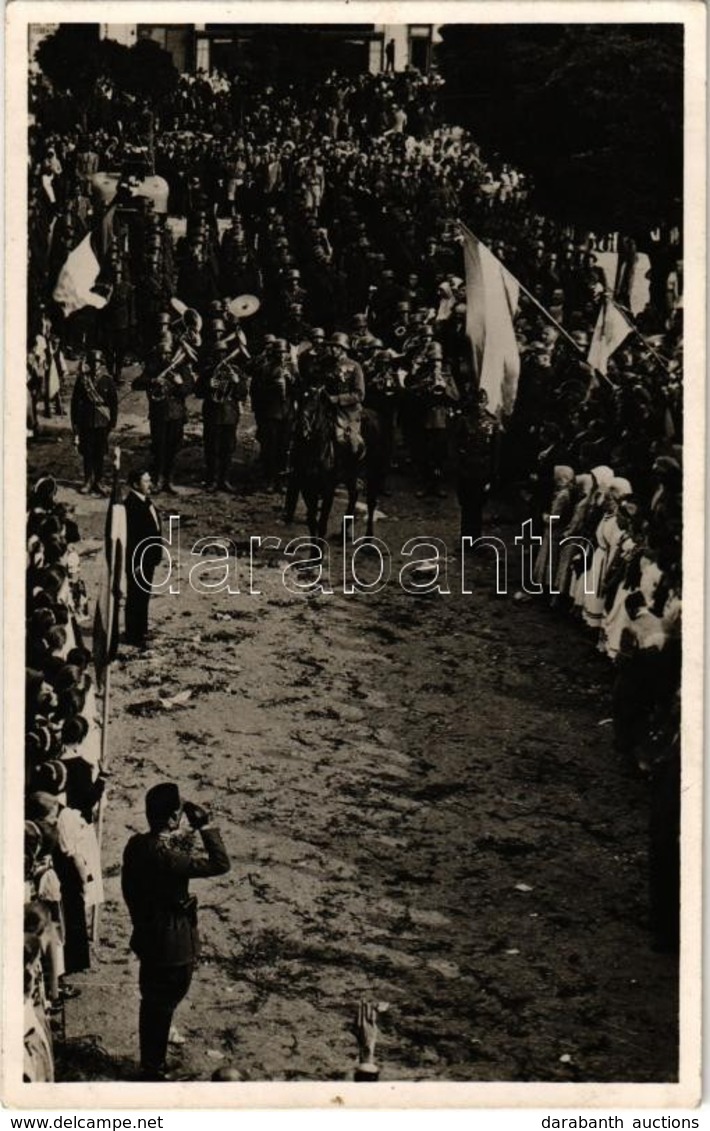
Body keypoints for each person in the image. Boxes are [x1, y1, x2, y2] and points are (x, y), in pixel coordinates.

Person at [122, 783, 231, 1081]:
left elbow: (164, 845)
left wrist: (182, 828)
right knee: (165, 1001)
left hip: (149, 935)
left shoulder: (136, 845)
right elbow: (220, 863)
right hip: (173, 943)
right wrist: (206, 825)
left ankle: (151, 1062)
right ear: (171, 819)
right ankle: (153, 1069)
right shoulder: (168, 859)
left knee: (152, 1002)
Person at [69, 349, 118, 496]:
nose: (96, 366)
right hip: (86, 422)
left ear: (101, 364)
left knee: (100, 452)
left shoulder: (107, 380)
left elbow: (113, 403)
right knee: (87, 452)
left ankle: (99, 481)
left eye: (98, 363)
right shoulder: (83, 380)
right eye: (93, 363)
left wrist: (112, 423)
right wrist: (75, 424)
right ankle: (88, 480)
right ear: (89, 364)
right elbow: (75, 404)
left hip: (102, 423)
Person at [123, 469, 162, 651]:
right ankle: (134, 634)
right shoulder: (131, 505)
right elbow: (132, 540)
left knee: (143, 595)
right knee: (136, 596)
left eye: (149, 480)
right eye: (146, 481)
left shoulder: (144, 501)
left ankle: (141, 630)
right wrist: (136, 563)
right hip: (139, 561)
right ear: (135, 484)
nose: (150, 484)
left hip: (148, 558)